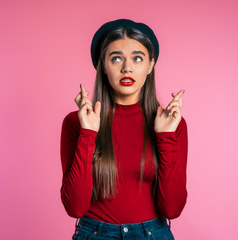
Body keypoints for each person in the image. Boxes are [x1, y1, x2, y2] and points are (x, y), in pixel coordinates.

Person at [60, 19, 188, 240]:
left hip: (153, 234)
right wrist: (88, 133)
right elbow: (75, 208)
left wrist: (166, 137)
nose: (127, 68)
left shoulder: (172, 124)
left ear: (150, 65)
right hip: (95, 234)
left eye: (137, 58)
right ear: (103, 65)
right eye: (116, 58)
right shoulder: (76, 122)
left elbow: (172, 210)